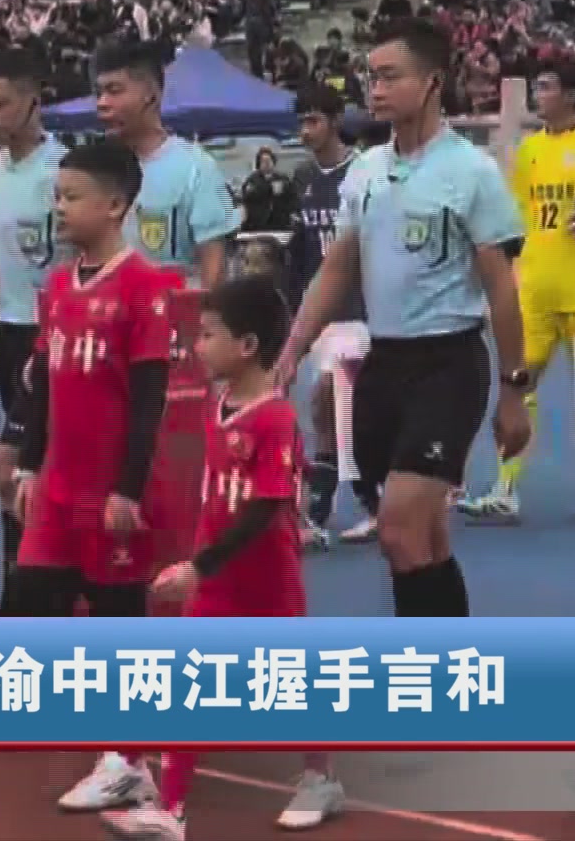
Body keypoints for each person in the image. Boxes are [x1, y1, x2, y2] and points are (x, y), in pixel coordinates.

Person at [275, 17, 530, 619]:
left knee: (397, 531)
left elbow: (501, 288)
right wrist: (291, 352)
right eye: (372, 77)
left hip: (448, 363)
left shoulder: (471, 172)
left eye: (391, 76)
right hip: (383, 363)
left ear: (433, 82)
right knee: (423, 539)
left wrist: (514, 390)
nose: (377, 89)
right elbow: (337, 269)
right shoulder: (364, 172)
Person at [107, 277, 345, 840]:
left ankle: (320, 778)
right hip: (216, 582)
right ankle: (170, 809)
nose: (197, 346)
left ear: (247, 345)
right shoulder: (217, 407)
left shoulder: (274, 418)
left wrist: (199, 566)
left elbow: (266, 506)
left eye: (209, 335)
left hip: (267, 582)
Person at [33, 141, 174, 814]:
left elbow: (150, 400)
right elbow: (43, 383)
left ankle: (128, 759)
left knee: (119, 619)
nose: (59, 208)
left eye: (72, 197)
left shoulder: (144, 287)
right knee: (33, 604)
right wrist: (26, 462)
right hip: (57, 484)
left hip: (110, 488)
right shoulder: (59, 286)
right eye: (57, 196)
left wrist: (127, 487)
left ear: (114, 204)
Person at [458, 60, 575, 523]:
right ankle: (505, 489)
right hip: (534, 287)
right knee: (519, 386)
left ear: (571, 95)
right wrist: (508, 275)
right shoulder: (530, 149)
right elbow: (516, 215)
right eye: (536, 86)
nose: (538, 93)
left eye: (547, 85)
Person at [0, 49, 68, 608]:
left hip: (51, 338)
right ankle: (26, 588)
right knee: (21, 471)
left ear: (34, 100)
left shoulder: (64, 171)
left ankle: (34, 596)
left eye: (0, 103)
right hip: (8, 334)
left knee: (24, 467)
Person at [286, 85, 373, 547]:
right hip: (321, 312)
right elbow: (299, 251)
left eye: (314, 121)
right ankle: (363, 501)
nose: (305, 131)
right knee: (331, 412)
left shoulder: (365, 173)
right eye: (301, 122)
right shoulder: (302, 178)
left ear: (336, 121)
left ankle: (323, 512)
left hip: (362, 311)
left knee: (331, 399)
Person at [90, 40, 238, 286]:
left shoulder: (196, 168)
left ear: (151, 95)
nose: (102, 103)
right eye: (99, 94)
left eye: (114, 91)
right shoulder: (91, 170)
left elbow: (215, 271)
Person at [238, 146, 298, 233]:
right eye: (263, 161)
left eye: (269, 160)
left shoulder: (282, 178)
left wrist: (290, 212)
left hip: (280, 223)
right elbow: (248, 196)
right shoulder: (252, 179)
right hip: (258, 225)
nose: (266, 163)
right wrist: (269, 187)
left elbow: (293, 197)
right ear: (259, 163)